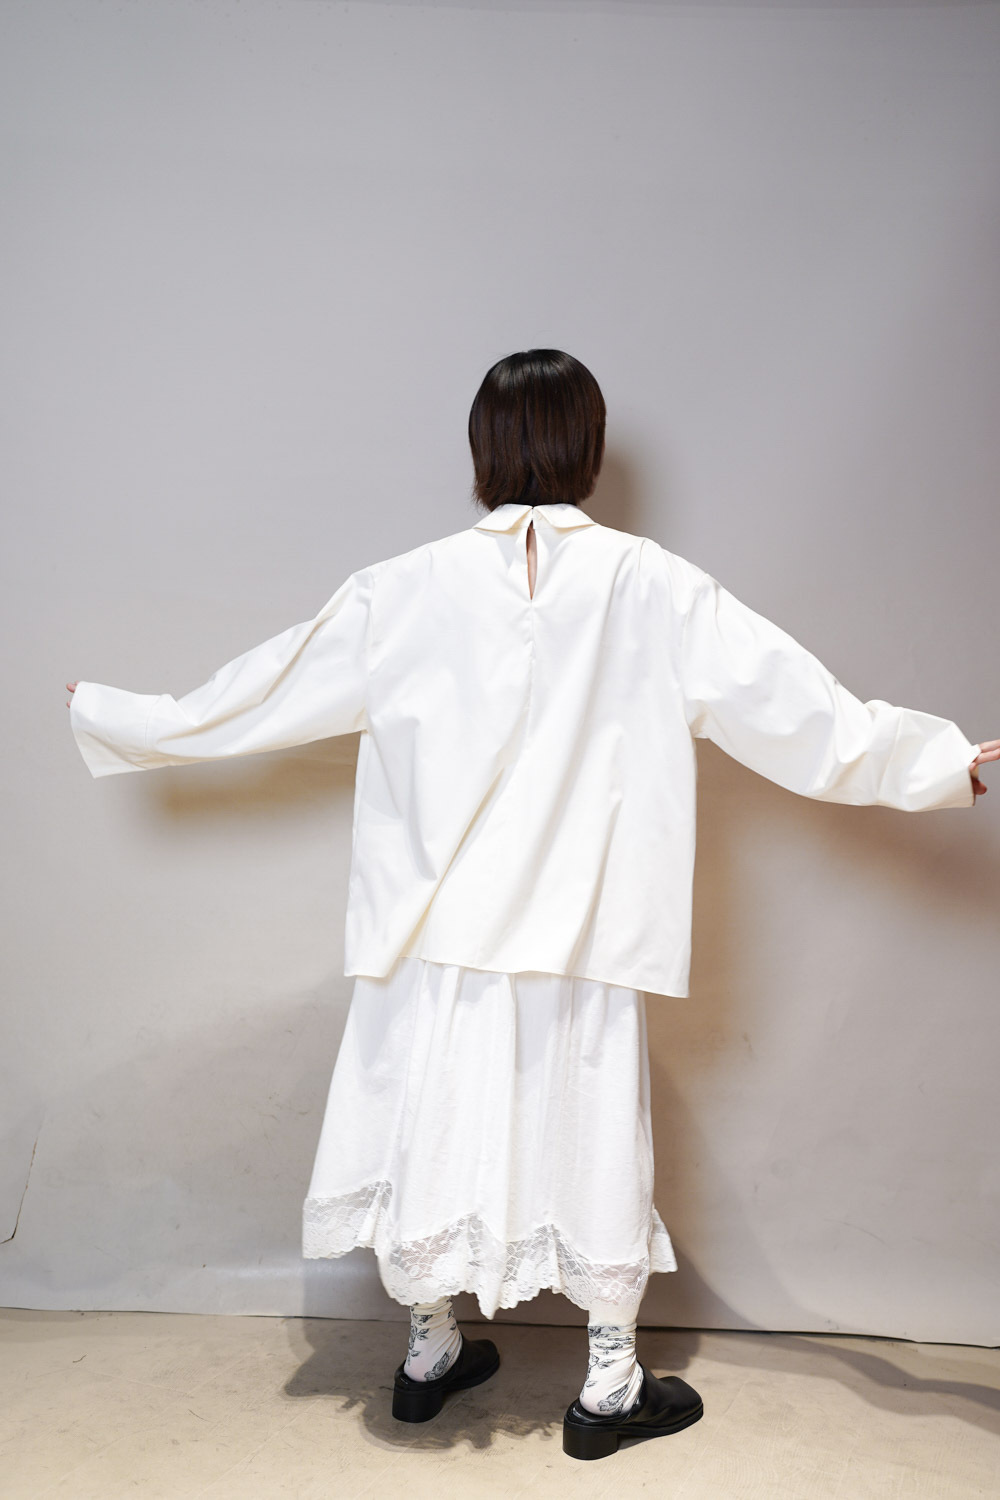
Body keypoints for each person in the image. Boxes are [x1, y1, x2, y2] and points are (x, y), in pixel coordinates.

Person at [67, 349, 996, 1463]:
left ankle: (429, 1353)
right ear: (586, 448)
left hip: (433, 934)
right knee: (592, 1138)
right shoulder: (653, 585)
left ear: (482, 449)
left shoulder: (401, 588)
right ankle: (607, 1385)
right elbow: (796, 708)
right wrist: (941, 764)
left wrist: (129, 719)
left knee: (427, 1130)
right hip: (581, 930)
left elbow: (262, 694)